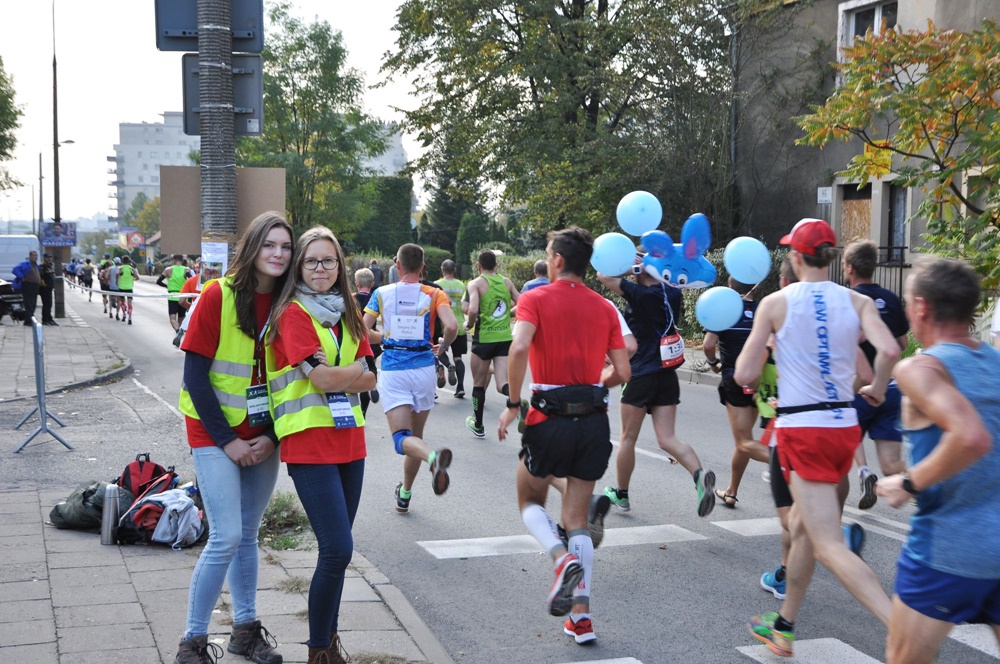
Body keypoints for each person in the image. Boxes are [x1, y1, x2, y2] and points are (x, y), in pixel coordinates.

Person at [736, 218, 900, 658]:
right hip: (843, 427)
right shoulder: (855, 300)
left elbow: (745, 374)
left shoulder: (776, 302)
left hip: (802, 428)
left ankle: (901, 631)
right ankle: (785, 626)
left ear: (794, 256)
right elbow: (889, 351)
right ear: (832, 258)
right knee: (806, 528)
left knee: (826, 543)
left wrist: (768, 345)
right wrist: (879, 389)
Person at [497, 226, 630, 646]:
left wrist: (513, 402)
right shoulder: (605, 307)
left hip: (548, 417)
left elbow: (518, 350)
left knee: (530, 499)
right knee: (576, 519)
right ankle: (582, 619)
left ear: (555, 259)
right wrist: (594, 382)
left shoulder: (534, 298)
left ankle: (560, 562)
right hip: (593, 420)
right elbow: (623, 373)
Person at [173, 211, 294, 664]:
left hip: (263, 435)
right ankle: (192, 642)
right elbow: (196, 376)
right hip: (213, 431)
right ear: (252, 248)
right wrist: (228, 441)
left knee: (249, 533)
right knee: (225, 535)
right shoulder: (217, 295)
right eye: (270, 245)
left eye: (285, 247)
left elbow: (291, 382)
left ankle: (245, 629)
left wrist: (270, 437)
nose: (278, 254)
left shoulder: (290, 302)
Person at [874, 257, 1000, 664]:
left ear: (921, 308)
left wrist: (909, 482)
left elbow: (971, 436)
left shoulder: (921, 368)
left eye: (908, 301)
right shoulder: (997, 365)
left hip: (947, 549)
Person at [266, 227, 376, 664]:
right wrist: (347, 372)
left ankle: (330, 645)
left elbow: (372, 376)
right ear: (299, 266)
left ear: (340, 266)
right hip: (309, 443)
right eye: (311, 261)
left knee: (338, 553)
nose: (320, 269)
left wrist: (342, 372)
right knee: (338, 549)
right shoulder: (292, 313)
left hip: (350, 441)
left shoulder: (347, 311)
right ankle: (318, 652)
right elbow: (323, 378)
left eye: (328, 261)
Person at [598, 256, 717, 517]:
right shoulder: (672, 292)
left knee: (628, 438)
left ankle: (622, 494)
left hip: (640, 373)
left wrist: (632, 266)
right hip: (666, 374)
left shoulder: (640, 293)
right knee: (668, 438)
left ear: (642, 269)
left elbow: (603, 275)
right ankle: (698, 476)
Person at [363, 243, 458, 513]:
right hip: (424, 370)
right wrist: (444, 345)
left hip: (394, 369)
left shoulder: (381, 293)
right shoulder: (434, 293)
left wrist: (383, 338)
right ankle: (405, 494)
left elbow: (361, 328)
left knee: (401, 439)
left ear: (398, 266)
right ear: (423, 267)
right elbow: (451, 325)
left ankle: (432, 457)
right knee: (416, 436)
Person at [842, 240, 910, 509]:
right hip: (890, 389)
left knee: (847, 438)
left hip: (856, 387)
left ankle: (863, 471)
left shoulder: (847, 300)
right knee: (893, 464)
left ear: (849, 268)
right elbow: (902, 344)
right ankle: (940, 488)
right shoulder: (891, 299)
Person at [703, 277, 770, 508]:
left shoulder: (725, 309)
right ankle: (731, 491)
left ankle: (790, 462)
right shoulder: (764, 308)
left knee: (743, 442)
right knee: (745, 440)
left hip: (735, 377)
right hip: (760, 378)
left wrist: (713, 363)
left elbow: (709, 344)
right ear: (756, 286)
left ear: (730, 288)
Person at [465, 250, 520, 437]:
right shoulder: (506, 282)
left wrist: (469, 324)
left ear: (478, 265)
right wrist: (508, 314)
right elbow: (522, 303)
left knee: (478, 384)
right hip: (504, 338)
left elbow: (472, 309)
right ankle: (519, 401)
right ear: (496, 265)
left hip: (484, 338)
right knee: (502, 383)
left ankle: (478, 425)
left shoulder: (475, 284)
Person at [435, 260, 468, 398]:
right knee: (458, 357)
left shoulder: (437, 284)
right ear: (454, 270)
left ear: (442, 269)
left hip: (444, 326)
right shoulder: (462, 285)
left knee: (438, 351)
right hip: (459, 325)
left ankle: (448, 365)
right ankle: (460, 387)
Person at [352, 267, 382, 415]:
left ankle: (355, 408)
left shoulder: (351, 299)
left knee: (355, 374)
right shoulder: (375, 299)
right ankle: (364, 411)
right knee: (369, 372)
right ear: (372, 283)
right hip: (371, 342)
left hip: (354, 342)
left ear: (356, 283)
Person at [158, 254, 195, 331]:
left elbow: (158, 281)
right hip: (183, 297)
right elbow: (192, 280)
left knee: (172, 319)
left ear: (174, 260)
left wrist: (167, 286)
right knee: (181, 319)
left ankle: (177, 330)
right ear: (182, 260)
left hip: (172, 296)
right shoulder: (186, 269)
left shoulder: (168, 270)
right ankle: (180, 331)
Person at [12, 250, 41, 326]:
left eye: (36, 255)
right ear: (30, 256)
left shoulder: (35, 265)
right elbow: (15, 269)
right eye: (34, 255)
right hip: (28, 285)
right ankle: (28, 320)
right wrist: (22, 277)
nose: (36, 257)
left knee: (33, 303)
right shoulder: (26, 264)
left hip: (35, 285)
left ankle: (30, 317)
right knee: (29, 303)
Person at [117, 256, 137, 325]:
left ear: (122, 261)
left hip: (121, 287)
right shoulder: (132, 269)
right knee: (130, 304)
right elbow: (137, 277)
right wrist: (132, 279)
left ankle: (124, 314)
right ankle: (130, 317)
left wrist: (118, 280)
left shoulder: (120, 268)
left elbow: (117, 274)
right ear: (129, 262)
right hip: (129, 288)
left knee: (122, 302)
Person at [39, 253, 57, 326]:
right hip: (44, 287)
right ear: (44, 258)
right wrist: (47, 272)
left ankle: (49, 318)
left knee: (49, 304)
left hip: (49, 287)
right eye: (48, 257)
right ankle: (45, 320)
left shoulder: (50, 265)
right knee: (46, 304)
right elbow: (41, 274)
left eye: (50, 257)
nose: (49, 259)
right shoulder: (42, 266)